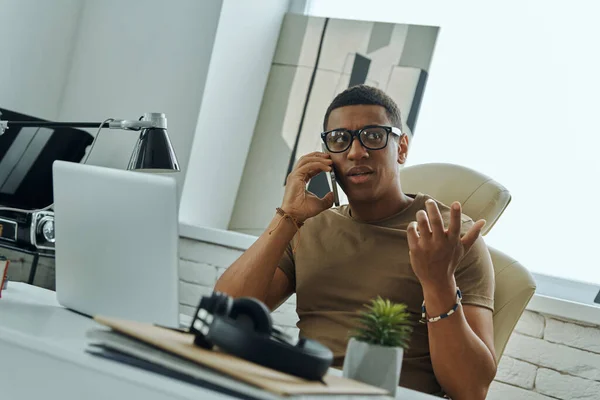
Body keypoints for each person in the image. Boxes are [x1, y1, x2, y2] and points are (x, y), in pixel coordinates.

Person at [214, 85, 497, 399]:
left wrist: (438, 282)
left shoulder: (448, 237)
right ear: (327, 155)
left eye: (373, 136)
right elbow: (223, 317)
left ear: (401, 147)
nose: (355, 152)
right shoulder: (308, 226)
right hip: (299, 390)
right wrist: (287, 218)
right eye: (339, 139)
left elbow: (471, 390)